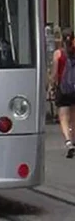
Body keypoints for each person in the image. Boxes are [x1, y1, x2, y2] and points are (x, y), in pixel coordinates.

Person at [50, 27, 75, 158]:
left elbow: (54, 74)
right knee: (73, 118)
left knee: (64, 118)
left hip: (63, 89)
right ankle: (74, 140)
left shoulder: (58, 54)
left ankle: (68, 141)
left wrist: (51, 86)